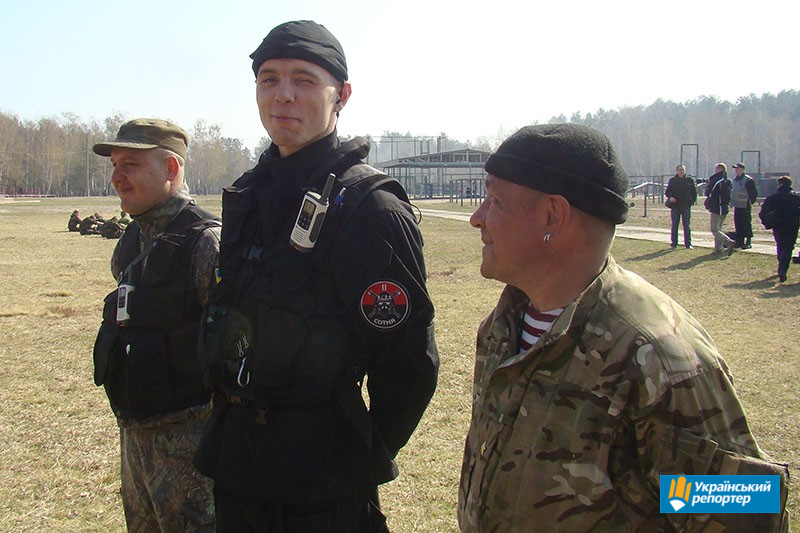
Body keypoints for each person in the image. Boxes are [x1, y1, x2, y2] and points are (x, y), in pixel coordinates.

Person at [458, 124, 790, 532]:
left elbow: (741, 512)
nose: (476, 218)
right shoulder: (504, 325)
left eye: (494, 200)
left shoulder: (658, 359)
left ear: (552, 216)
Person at [193, 20, 439, 532]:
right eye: (269, 79)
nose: (282, 95)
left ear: (341, 96)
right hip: (237, 467)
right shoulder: (249, 194)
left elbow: (409, 364)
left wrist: (352, 455)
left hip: (321, 490)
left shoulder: (369, 209)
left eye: (303, 80)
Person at [91, 118, 219, 531]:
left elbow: (236, 355)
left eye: (129, 164)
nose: (117, 177)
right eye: (115, 165)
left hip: (193, 453)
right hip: (134, 440)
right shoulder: (131, 241)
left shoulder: (205, 243)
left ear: (171, 168)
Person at [759, 175, 800, 282]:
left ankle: (781, 266)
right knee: (788, 247)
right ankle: (783, 269)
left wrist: (767, 222)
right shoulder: (796, 197)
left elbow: (763, 212)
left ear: (780, 184)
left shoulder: (773, 197)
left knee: (780, 245)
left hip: (778, 225)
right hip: (792, 225)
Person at [704, 163, 735, 255]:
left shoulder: (716, 180)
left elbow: (709, 193)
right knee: (719, 229)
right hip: (724, 207)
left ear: (719, 169)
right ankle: (718, 249)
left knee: (715, 230)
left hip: (717, 207)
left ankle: (728, 242)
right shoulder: (727, 180)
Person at [664, 164, 697, 249]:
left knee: (687, 225)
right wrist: (671, 197)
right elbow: (667, 192)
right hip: (675, 206)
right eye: (679, 170)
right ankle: (674, 244)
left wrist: (691, 202)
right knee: (675, 225)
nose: (681, 171)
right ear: (677, 171)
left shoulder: (689, 180)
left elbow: (694, 192)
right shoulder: (673, 180)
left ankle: (688, 244)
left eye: (682, 170)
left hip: (686, 206)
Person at [731, 162, 759, 249]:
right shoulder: (735, 180)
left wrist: (750, 202)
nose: (736, 170)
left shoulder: (748, 180)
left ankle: (748, 242)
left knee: (746, 223)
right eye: (735, 168)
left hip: (745, 205)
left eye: (738, 168)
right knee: (738, 223)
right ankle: (740, 241)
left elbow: (753, 193)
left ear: (742, 169)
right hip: (737, 205)